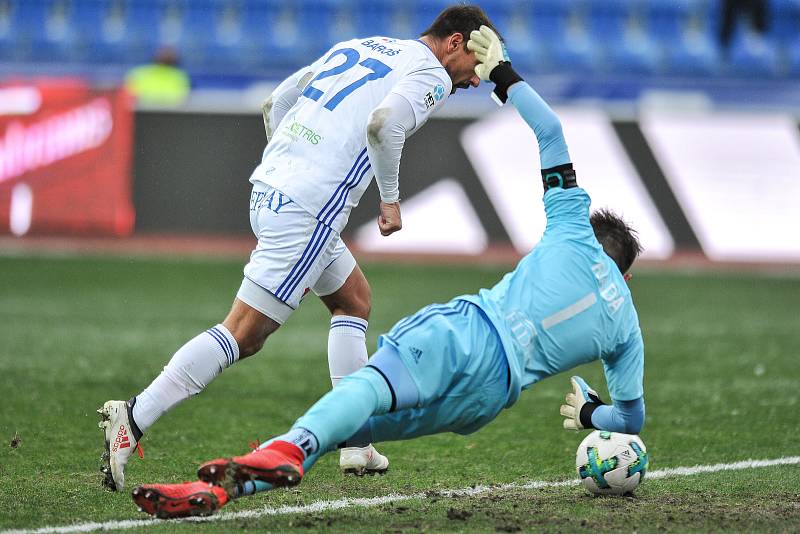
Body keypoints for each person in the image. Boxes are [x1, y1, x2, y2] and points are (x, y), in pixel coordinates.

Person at [130, 25, 647, 519]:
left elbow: (550, 129)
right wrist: (588, 417)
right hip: (490, 399)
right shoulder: (626, 328)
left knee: (361, 394)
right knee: (355, 423)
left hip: (467, 335)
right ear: (624, 278)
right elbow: (629, 421)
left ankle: (271, 451)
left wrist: (503, 74)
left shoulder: (571, 227)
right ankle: (234, 482)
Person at [99, 5, 498, 491]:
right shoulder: (431, 72)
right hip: (309, 209)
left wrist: (293, 165)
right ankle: (134, 417)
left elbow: (277, 101)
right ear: (454, 43)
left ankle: (355, 442)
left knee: (353, 300)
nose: (475, 81)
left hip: (271, 188)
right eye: (476, 68)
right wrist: (390, 201)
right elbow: (384, 125)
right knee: (245, 334)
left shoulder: (361, 45)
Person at [125, 47, 191, 106]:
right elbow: (128, 96)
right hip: (140, 113)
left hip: (169, 114)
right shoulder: (139, 73)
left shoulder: (179, 76)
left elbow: (181, 99)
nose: (165, 56)